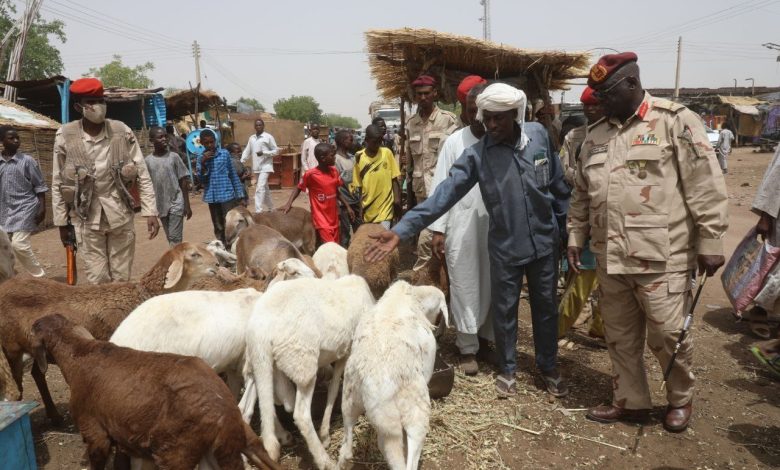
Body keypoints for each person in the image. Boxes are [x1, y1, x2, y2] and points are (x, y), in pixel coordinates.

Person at [366, 83, 570, 399]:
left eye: (497, 119)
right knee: (505, 311)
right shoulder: (477, 156)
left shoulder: (539, 136)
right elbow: (442, 196)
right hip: (505, 249)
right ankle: (508, 369)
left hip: (544, 244)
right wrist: (402, 229)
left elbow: (557, 185)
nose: (489, 125)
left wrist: (565, 229)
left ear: (514, 115)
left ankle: (548, 367)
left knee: (545, 309)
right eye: (485, 118)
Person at [567, 52, 728, 432]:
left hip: (662, 255)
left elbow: (705, 182)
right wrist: (575, 236)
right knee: (620, 337)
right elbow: (581, 193)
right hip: (610, 256)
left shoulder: (674, 121)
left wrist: (710, 240)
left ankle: (680, 398)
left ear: (631, 84)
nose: (600, 100)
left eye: (606, 92)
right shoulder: (596, 135)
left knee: (668, 334)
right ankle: (631, 401)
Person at [52, 77, 160, 285]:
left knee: (121, 279)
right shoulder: (65, 135)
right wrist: (61, 222)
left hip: (120, 214)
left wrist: (150, 211)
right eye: (91, 102)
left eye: (101, 101)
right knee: (98, 279)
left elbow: (143, 173)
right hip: (85, 218)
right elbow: (57, 181)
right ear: (78, 107)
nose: (98, 106)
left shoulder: (121, 131)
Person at [429, 76, 493, 375]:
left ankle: (488, 339)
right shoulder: (454, 142)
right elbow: (441, 188)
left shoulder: (504, 140)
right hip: (462, 226)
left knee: (495, 283)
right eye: (469, 109)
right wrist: (438, 229)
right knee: (465, 283)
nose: (473, 115)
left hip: (496, 229)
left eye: (478, 109)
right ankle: (468, 347)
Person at [557, 87, 606, 340]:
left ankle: (600, 330)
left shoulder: (618, 134)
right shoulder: (575, 137)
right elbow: (564, 170)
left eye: (595, 104)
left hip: (610, 227)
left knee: (608, 290)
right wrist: (586, 179)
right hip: (582, 218)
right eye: (586, 106)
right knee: (578, 283)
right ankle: (556, 332)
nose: (590, 110)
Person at [403, 74, 458, 277]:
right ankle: (431, 281)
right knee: (428, 240)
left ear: (435, 93)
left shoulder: (448, 121)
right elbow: (409, 165)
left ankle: (422, 279)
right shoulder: (411, 124)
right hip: (422, 194)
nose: (423, 97)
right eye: (419, 94)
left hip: (444, 192)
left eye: (427, 93)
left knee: (430, 241)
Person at [281, 143, 354, 244]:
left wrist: (348, 207)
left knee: (335, 246)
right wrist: (289, 203)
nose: (335, 157)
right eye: (332, 155)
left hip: (334, 219)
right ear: (323, 158)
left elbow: (336, 192)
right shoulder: (310, 175)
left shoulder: (334, 171)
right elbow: (298, 187)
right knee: (331, 247)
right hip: (321, 220)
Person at [0, 125, 48, 277]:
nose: (16, 140)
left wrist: (42, 208)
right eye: (11, 138)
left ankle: (40, 277)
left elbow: (40, 186)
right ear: (2, 141)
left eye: (17, 138)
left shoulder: (27, 161)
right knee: (4, 247)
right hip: (5, 210)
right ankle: (8, 277)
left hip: (25, 207)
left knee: (19, 245)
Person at [196, 129, 247, 246]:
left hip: (227, 196)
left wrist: (240, 195)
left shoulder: (224, 154)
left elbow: (233, 175)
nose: (210, 145)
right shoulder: (200, 159)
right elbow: (201, 180)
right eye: (206, 143)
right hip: (212, 198)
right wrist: (204, 163)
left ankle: (234, 246)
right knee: (218, 225)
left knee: (230, 223)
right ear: (202, 143)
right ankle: (223, 247)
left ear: (215, 141)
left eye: (211, 142)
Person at [145, 127, 192, 247]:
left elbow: (183, 181)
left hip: (176, 201)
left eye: (165, 136)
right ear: (152, 140)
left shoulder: (174, 157)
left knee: (175, 238)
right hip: (160, 204)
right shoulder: (148, 161)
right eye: (160, 137)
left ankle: (176, 263)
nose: (164, 139)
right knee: (170, 236)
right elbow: (146, 185)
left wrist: (186, 204)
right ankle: (179, 259)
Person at [353, 125, 401, 229]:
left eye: (380, 142)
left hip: (386, 207)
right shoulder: (359, 157)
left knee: (383, 238)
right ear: (366, 140)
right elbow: (359, 186)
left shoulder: (387, 153)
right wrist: (361, 210)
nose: (377, 145)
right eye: (374, 142)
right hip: (368, 209)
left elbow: (394, 178)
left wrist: (397, 200)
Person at [240, 119, 279, 213]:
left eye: (260, 125)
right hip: (256, 167)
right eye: (257, 125)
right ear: (254, 127)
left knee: (260, 187)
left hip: (266, 166)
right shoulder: (252, 138)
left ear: (263, 126)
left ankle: (258, 211)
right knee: (265, 189)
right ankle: (271, 208)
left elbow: (276, 151)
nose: (258, 127)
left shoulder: (268, 137)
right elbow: (247, 151)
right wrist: (241, 161)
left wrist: (264, 153)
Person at [334, 129, 362, 247]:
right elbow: (335, 185)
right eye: (350, 140)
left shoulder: (352, 158)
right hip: (344, 204)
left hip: (355, 200)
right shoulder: (336, 160)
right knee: (345, 234)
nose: (353, 142)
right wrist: (345, 205)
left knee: (360, 231)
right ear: (342, 141)